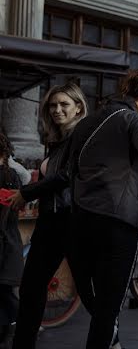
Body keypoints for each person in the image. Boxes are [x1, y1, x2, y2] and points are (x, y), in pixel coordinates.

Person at [68, 70, 138, 348]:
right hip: (118, 222)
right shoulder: (134, 119)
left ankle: (112, 341)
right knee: (109, 306)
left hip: (81, 217)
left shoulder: (86, 122)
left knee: (96, 299)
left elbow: (69, 170)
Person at [11, 82, 88, 349]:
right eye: (53, 105)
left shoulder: (82, 136)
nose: (57, 110)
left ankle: (110, 335)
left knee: (89, 291)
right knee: (32, 287)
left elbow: (66, 176)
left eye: (64, 104)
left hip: (73, 220)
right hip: (49, 221)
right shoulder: (54, 141)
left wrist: (26, 193)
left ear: (78, 108)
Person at [0, 133, 25, 347]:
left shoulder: (8, 176)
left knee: (5, 294)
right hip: (7, 242)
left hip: (5, 245)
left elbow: (5, 214)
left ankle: (20, 324)